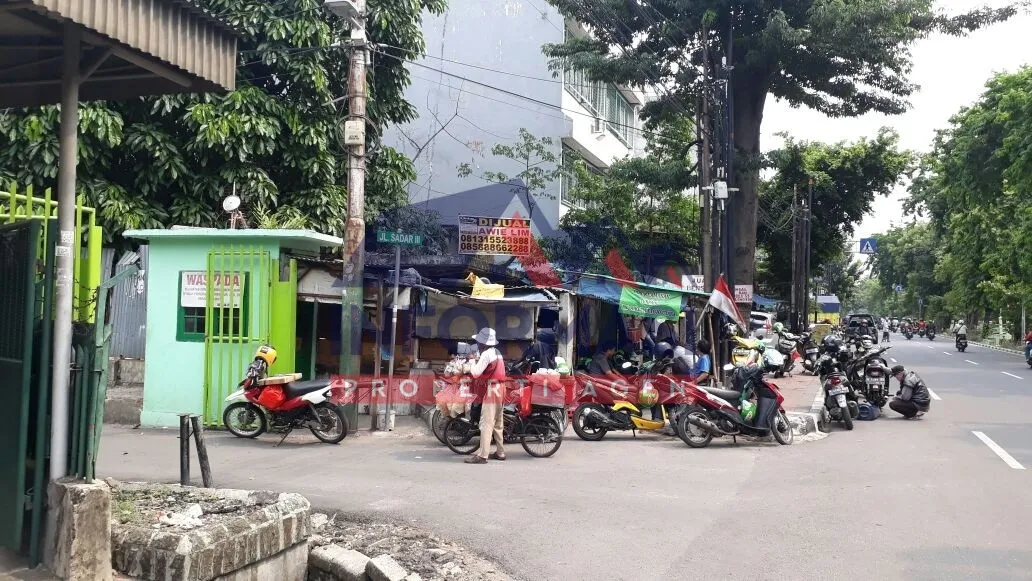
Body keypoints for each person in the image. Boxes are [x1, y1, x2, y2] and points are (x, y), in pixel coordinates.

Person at [465, 327, 507, 464]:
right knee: (498, 422)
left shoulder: (486, 354)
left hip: (492, 389)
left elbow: (476, 373)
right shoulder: (497, 352)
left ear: (483, 342)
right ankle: (500, 452)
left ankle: (483, 455)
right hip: (501, 388)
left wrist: (471, 362)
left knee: (486, 423)